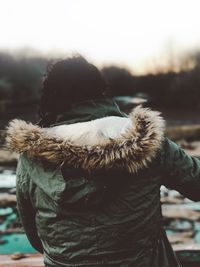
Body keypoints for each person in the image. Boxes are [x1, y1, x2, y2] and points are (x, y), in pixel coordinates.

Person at [6, 56, 200, 267]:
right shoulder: (148, 140)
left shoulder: (31, 155)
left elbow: (33, 233)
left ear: (50, 96)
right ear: (100, 90)